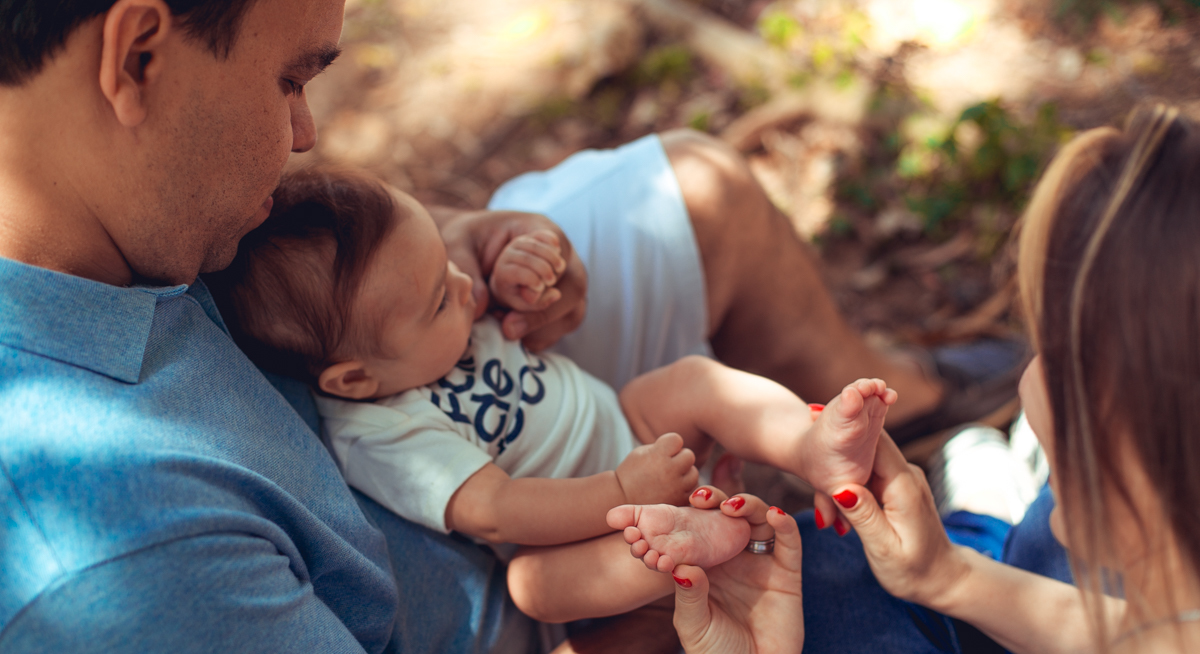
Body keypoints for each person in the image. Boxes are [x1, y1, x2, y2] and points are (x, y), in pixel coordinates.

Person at [0, 1, 1016, 654]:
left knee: (697, 194)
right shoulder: (101, 555)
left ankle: (918, 402)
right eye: (289, 79)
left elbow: (308, 249)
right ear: (136, 55)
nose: (307, 130)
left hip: (455, 388)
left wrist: (466, 243)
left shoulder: (103, 194)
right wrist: (653, 610)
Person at [627, 105, 1200, 654]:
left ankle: (983, 506)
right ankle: (979, 530)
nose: (1027, 374)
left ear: (1126, 432)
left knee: (819, 576)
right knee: (1025, 532)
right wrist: (950, 578)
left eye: (1050, 346)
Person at [209, 167, 896, 623]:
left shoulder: (432, 308)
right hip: (587, 529)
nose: (462, 286)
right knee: (532, 590)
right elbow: (499, 511)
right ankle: (694, 547)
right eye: (437, 299)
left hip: (631, 422)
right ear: (355, 377)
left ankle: (811, 446)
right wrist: (621, 488)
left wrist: (517, 266)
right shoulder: (379, 435)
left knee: (692, 381)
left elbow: (485, 278)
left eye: (446, 263)